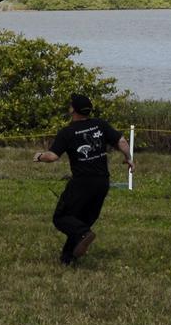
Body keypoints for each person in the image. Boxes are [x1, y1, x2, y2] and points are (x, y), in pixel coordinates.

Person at [34, 93, 134, 265]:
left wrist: (39, 156)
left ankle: (84, 235)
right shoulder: (100, 125)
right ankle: (68, 259)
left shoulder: (68, 132)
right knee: (81, 221)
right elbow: (122, 141)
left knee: (62, 218)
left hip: (82, 183)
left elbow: (52, 157)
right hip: (102, 182)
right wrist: (129, 158)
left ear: (73, 109)